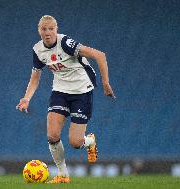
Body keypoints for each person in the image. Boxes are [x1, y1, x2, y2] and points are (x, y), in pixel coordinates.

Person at [16, 15, 115, 183]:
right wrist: (26, 98)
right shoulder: (38, 50)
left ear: (56, 29)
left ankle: (89, 141)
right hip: (60, 92)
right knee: (52, 135)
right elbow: (35, 78)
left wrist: (105, 83)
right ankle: (63, 175)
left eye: (51, 29)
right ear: (39, 31)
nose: (47, 32)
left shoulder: (66, 44)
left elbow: (100, 55)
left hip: (82, 91)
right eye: (44, 29)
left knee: (75, 143)